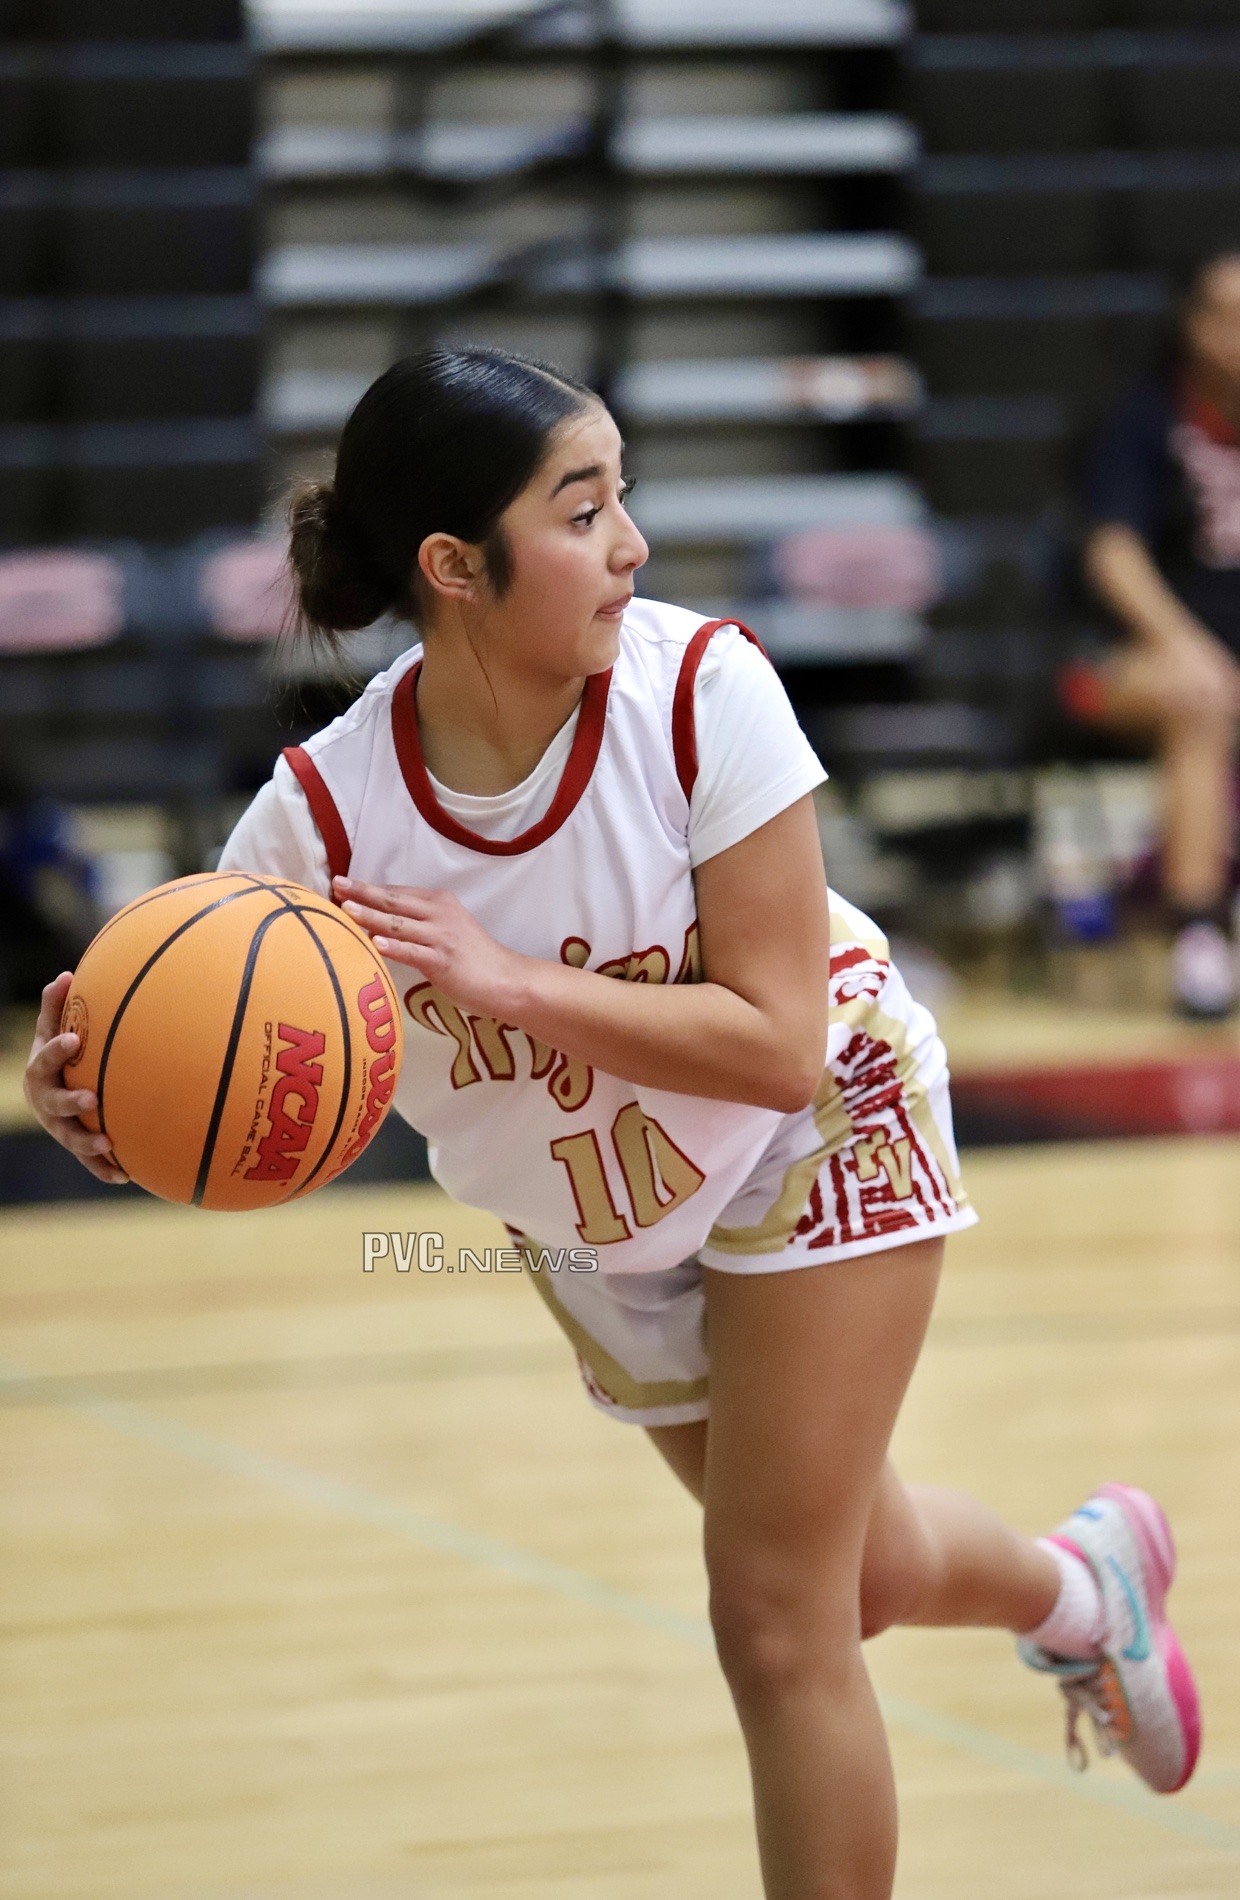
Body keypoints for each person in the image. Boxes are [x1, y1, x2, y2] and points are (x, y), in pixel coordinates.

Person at [25, 349, 1200, 1899]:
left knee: (772, 1618)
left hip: (815, 1123)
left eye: (622, 497)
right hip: (595, 1220)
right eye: (583, 513)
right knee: (852, 1580)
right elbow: (208, 1053)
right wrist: (104, 1100)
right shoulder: (321, 823)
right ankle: (1081, 1588)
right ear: (456, 567)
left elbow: (776, 1046)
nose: (632, 544)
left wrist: (506, 981)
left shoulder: (704, 693)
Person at [1067, 251, 1240, 1018]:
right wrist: (1185, 643)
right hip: (1119, 666)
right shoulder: (1142, 418)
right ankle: (1198, 938)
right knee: (1203, 694)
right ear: (1194, 325)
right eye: (1228, 316)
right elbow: (1112, 552)